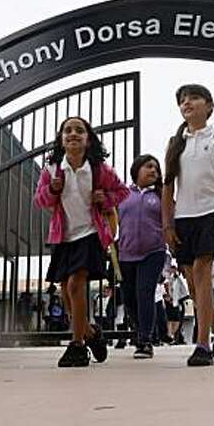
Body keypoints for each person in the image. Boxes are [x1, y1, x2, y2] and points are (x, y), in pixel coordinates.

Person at [34, 116, 129, 367]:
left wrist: (105, 198)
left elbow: (122, 192)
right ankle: (91, 332)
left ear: (88, 140)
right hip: (64, 237)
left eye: (79, 130)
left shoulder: (99, 170)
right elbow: (40, 201)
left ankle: (77, 346)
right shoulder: (53, 170)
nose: (73, 133)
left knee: (77, 284)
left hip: (90, 234)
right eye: (67, 130)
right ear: (61, 139)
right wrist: (52, 190)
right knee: (66, 291)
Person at [162, 84, 214, 366]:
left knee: (201, 270)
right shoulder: (175, 145)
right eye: (183, 100)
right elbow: (168, 187)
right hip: (184, 218)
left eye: (194, 98)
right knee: (194, 286)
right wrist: (167, 225)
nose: (187, 103)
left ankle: (202, 345)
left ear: (209, 106)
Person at [117, 154, 167, 359]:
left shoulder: (162, 196)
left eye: (156, 168)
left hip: (153, 252)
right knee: (129, 297)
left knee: (145, 291)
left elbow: (170, 224)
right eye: (148, 166)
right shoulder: (122, 194)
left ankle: (145, 341)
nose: (153, 170)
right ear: (136, 169)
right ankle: (141, 331)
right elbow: (110, 216)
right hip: (126, 253)